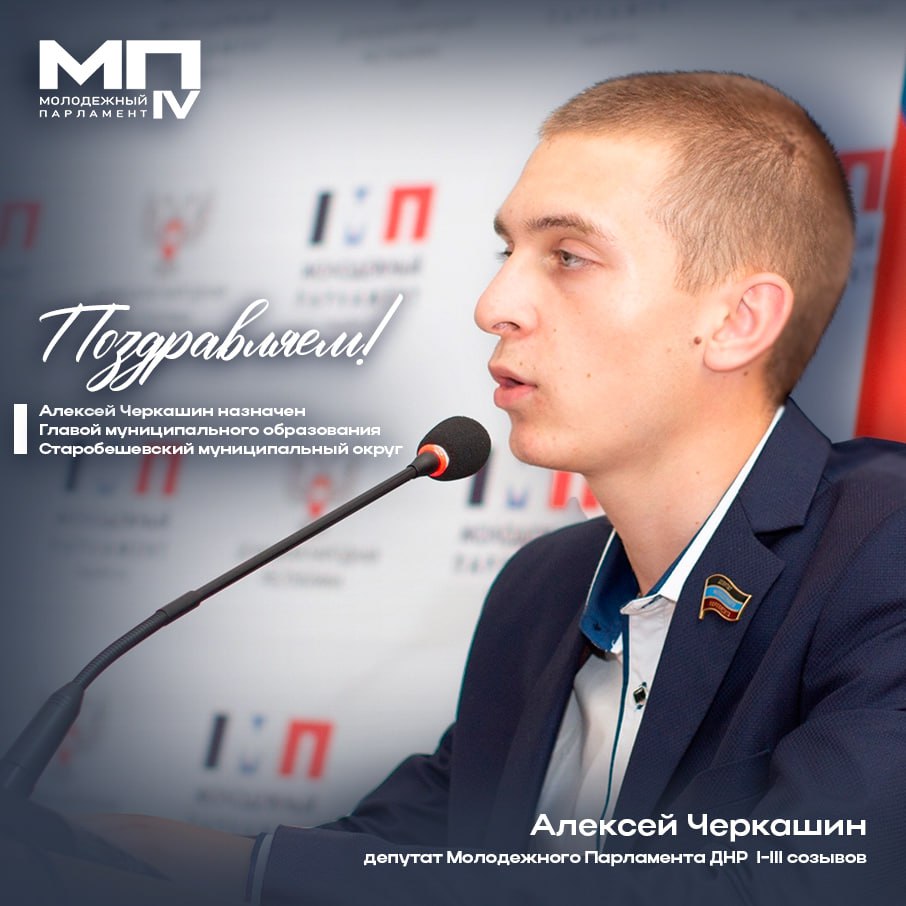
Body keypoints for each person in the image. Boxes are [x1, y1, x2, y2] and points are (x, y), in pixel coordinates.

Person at [71, 71, 906, 904]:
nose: (493, 305)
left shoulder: (885, 548)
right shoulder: (540, 588)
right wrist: (139, 856)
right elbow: (417, 846)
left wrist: (259, 873)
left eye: (569, 256)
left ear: (736, 321)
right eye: (509, 252)